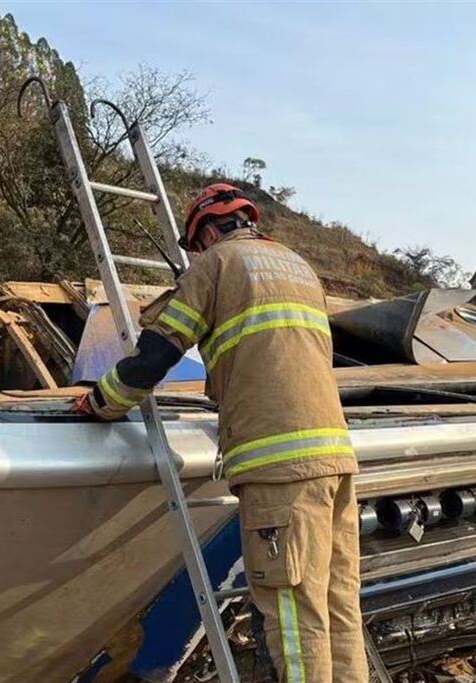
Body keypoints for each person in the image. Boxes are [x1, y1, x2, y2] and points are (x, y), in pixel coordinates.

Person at [73, 183, 367, 682]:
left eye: (196, 247)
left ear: (207, 232)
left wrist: (101, 401)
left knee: (295, 622)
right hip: (336, 460)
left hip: (280, 468)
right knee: (339, 612)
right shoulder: (300, 269)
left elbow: (157, 357)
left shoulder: (214, 267)